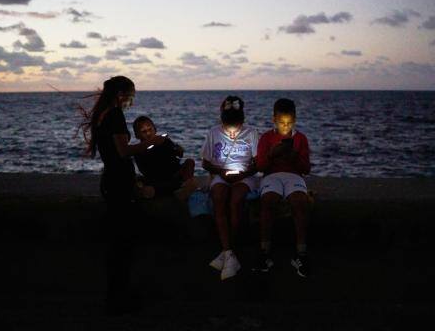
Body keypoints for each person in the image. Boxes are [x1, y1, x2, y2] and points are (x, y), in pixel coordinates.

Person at [78, 76, 165, 314]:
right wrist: (151, 143)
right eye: (130, 96)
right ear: (120, 94)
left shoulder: (103, 114)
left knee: (119, 240)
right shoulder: (115, 115)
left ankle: (117, 294)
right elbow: (123, 150)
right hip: (118, 185)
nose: (131, 101)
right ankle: (118, 297)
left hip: (113, 181)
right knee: (123, 242)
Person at [201, 95, 259, 280]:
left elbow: (258, 163)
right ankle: (228, 252)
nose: (232, 131)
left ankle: (228, 249)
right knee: (218, 197)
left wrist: (244, 174)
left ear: (243, 121)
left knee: (235, 200)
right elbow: (205, 163)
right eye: (228, 127)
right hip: (221, 174)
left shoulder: (251, 133)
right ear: (222, 121)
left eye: (236, 127)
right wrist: (221, 171)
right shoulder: (214, 132)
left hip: (244, 176)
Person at [254, 98, 311, 277]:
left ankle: (301, 252)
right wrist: (272, 154)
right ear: (274, 119)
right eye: (281, 122)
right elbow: (260, 166)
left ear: (294, 119)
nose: (285, 127)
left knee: (299, 201)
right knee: (268, 200)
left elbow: (306, 168)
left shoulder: (300, 139)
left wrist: (293, 156)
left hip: (294, 176)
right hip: (272, 176)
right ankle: (265, 250)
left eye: (288, 122)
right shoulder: (266, 137)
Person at [132, 115, 195, 199]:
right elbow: (144, 170)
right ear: (137, 135)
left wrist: (177, 149)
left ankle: (183, 187)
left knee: (190, 162)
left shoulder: (164, 141)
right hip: (156, 179)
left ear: (155, 129)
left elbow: (179, 154)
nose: (148, 133)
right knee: (142, 184)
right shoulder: (139, 149)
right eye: (144, 131)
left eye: (150, 129)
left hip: (174, 174)